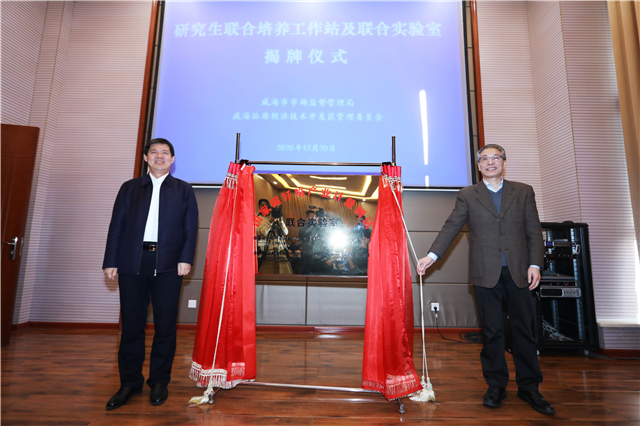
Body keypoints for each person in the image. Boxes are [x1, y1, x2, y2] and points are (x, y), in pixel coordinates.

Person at [417, 144, 554, 415]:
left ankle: (529, 388)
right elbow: (451, 226)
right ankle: (496, 386)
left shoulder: (523, 191)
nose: (490, 162)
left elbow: (533, 230)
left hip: (520, 272)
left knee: (524, 331)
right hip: (484, 273)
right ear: (478, 166)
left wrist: (535, 264)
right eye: (484, 159)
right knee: (492, 332)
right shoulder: (468, 194)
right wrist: (432, 256)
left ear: (504, 162)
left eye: (495, 158)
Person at [102, 138, 198, 410]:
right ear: (146, 157)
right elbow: (117, 226)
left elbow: (190, 228)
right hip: (132, 262)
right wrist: (111, 260)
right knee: (132, 325)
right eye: (154, 152)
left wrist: (185, 259)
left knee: (165, 326)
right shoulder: (130, 188)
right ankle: (129, 383)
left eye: (165, 153)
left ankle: (159, 381)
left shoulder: (183, 190)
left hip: (168, 264)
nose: (159, 156)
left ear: (172, 159)